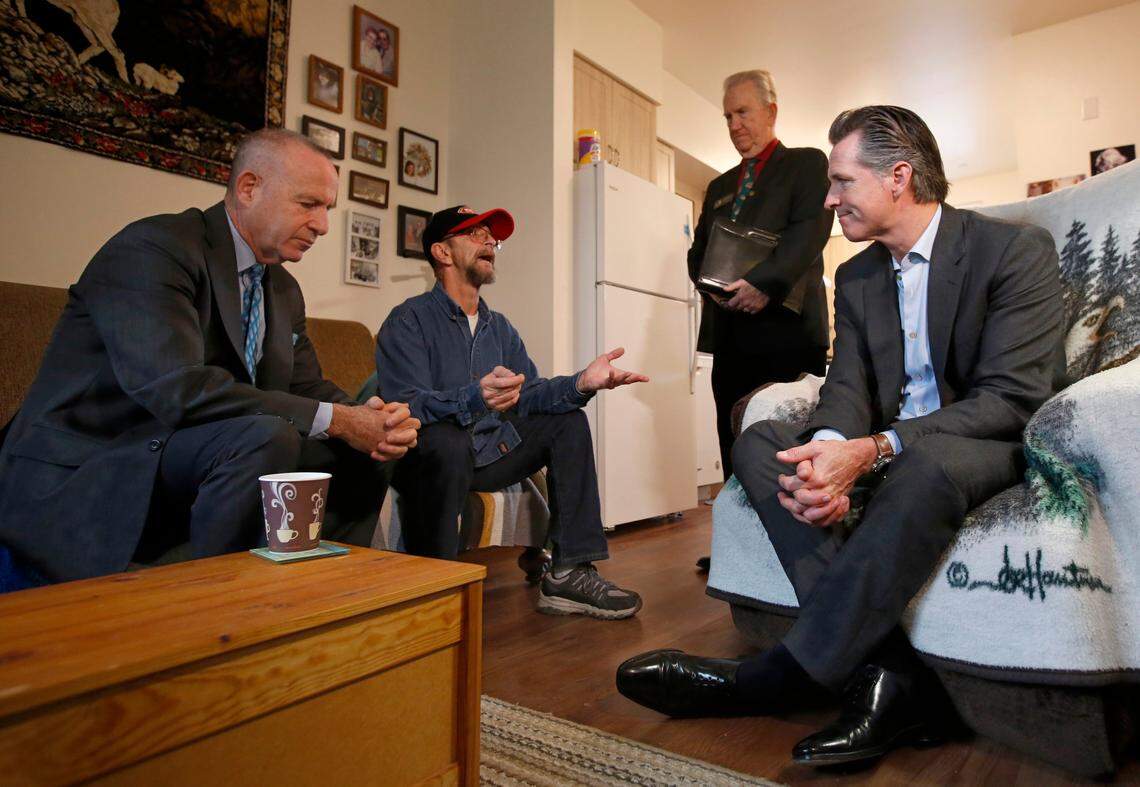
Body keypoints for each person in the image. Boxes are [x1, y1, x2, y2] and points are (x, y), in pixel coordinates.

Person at [617, 106, 1065, 766]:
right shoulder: (856, 277)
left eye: (841, 181)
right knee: (759, 443)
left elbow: (1010, 399)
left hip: (977, 443)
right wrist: (826, 450)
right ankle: (892, 676)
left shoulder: (1010, 250)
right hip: (886, 447)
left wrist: (874, 448)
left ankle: (774, 678)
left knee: (928, 462)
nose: (828, 199)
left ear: (898, 177)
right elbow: (848, 388)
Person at [0, 129, 420, 586]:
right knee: (267, 435)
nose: (322, 225)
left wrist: (369, 420)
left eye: (327, 209)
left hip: (186, 450)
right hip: (96, 458)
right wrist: (339, 418)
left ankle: (322, 589)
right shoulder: (155, 249)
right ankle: (210, 604)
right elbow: (174, 389)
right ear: (248, 188)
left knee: (373, 447)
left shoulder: (282, 287)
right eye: (308, 204)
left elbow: (304, 386)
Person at [376, 205, 647, 619]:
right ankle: (435, 583)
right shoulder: (408, 320)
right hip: (428, 457)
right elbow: (406, 405)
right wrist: (474, 398)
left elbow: (531, 394)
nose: (489, 242)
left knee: (568, 420)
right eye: (474, 233)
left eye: (492, 236)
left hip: (486, 454)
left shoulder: (498, 327)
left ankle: (568, 573)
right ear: (442, 253)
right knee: (446, 440)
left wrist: (580, 383)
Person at [689, 69, 833, 570]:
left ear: (771, 112)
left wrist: (763, 286)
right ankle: (739, 545)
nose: (734, 124)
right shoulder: (719, 186)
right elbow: (698, 252)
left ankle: (794, 546)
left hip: (789, 331)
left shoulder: (807, 165)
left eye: (743, 112)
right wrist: (714, 290)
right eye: (728, 115)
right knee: (733, 434)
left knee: (788, 435)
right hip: (732, 332)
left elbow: (809, 234)